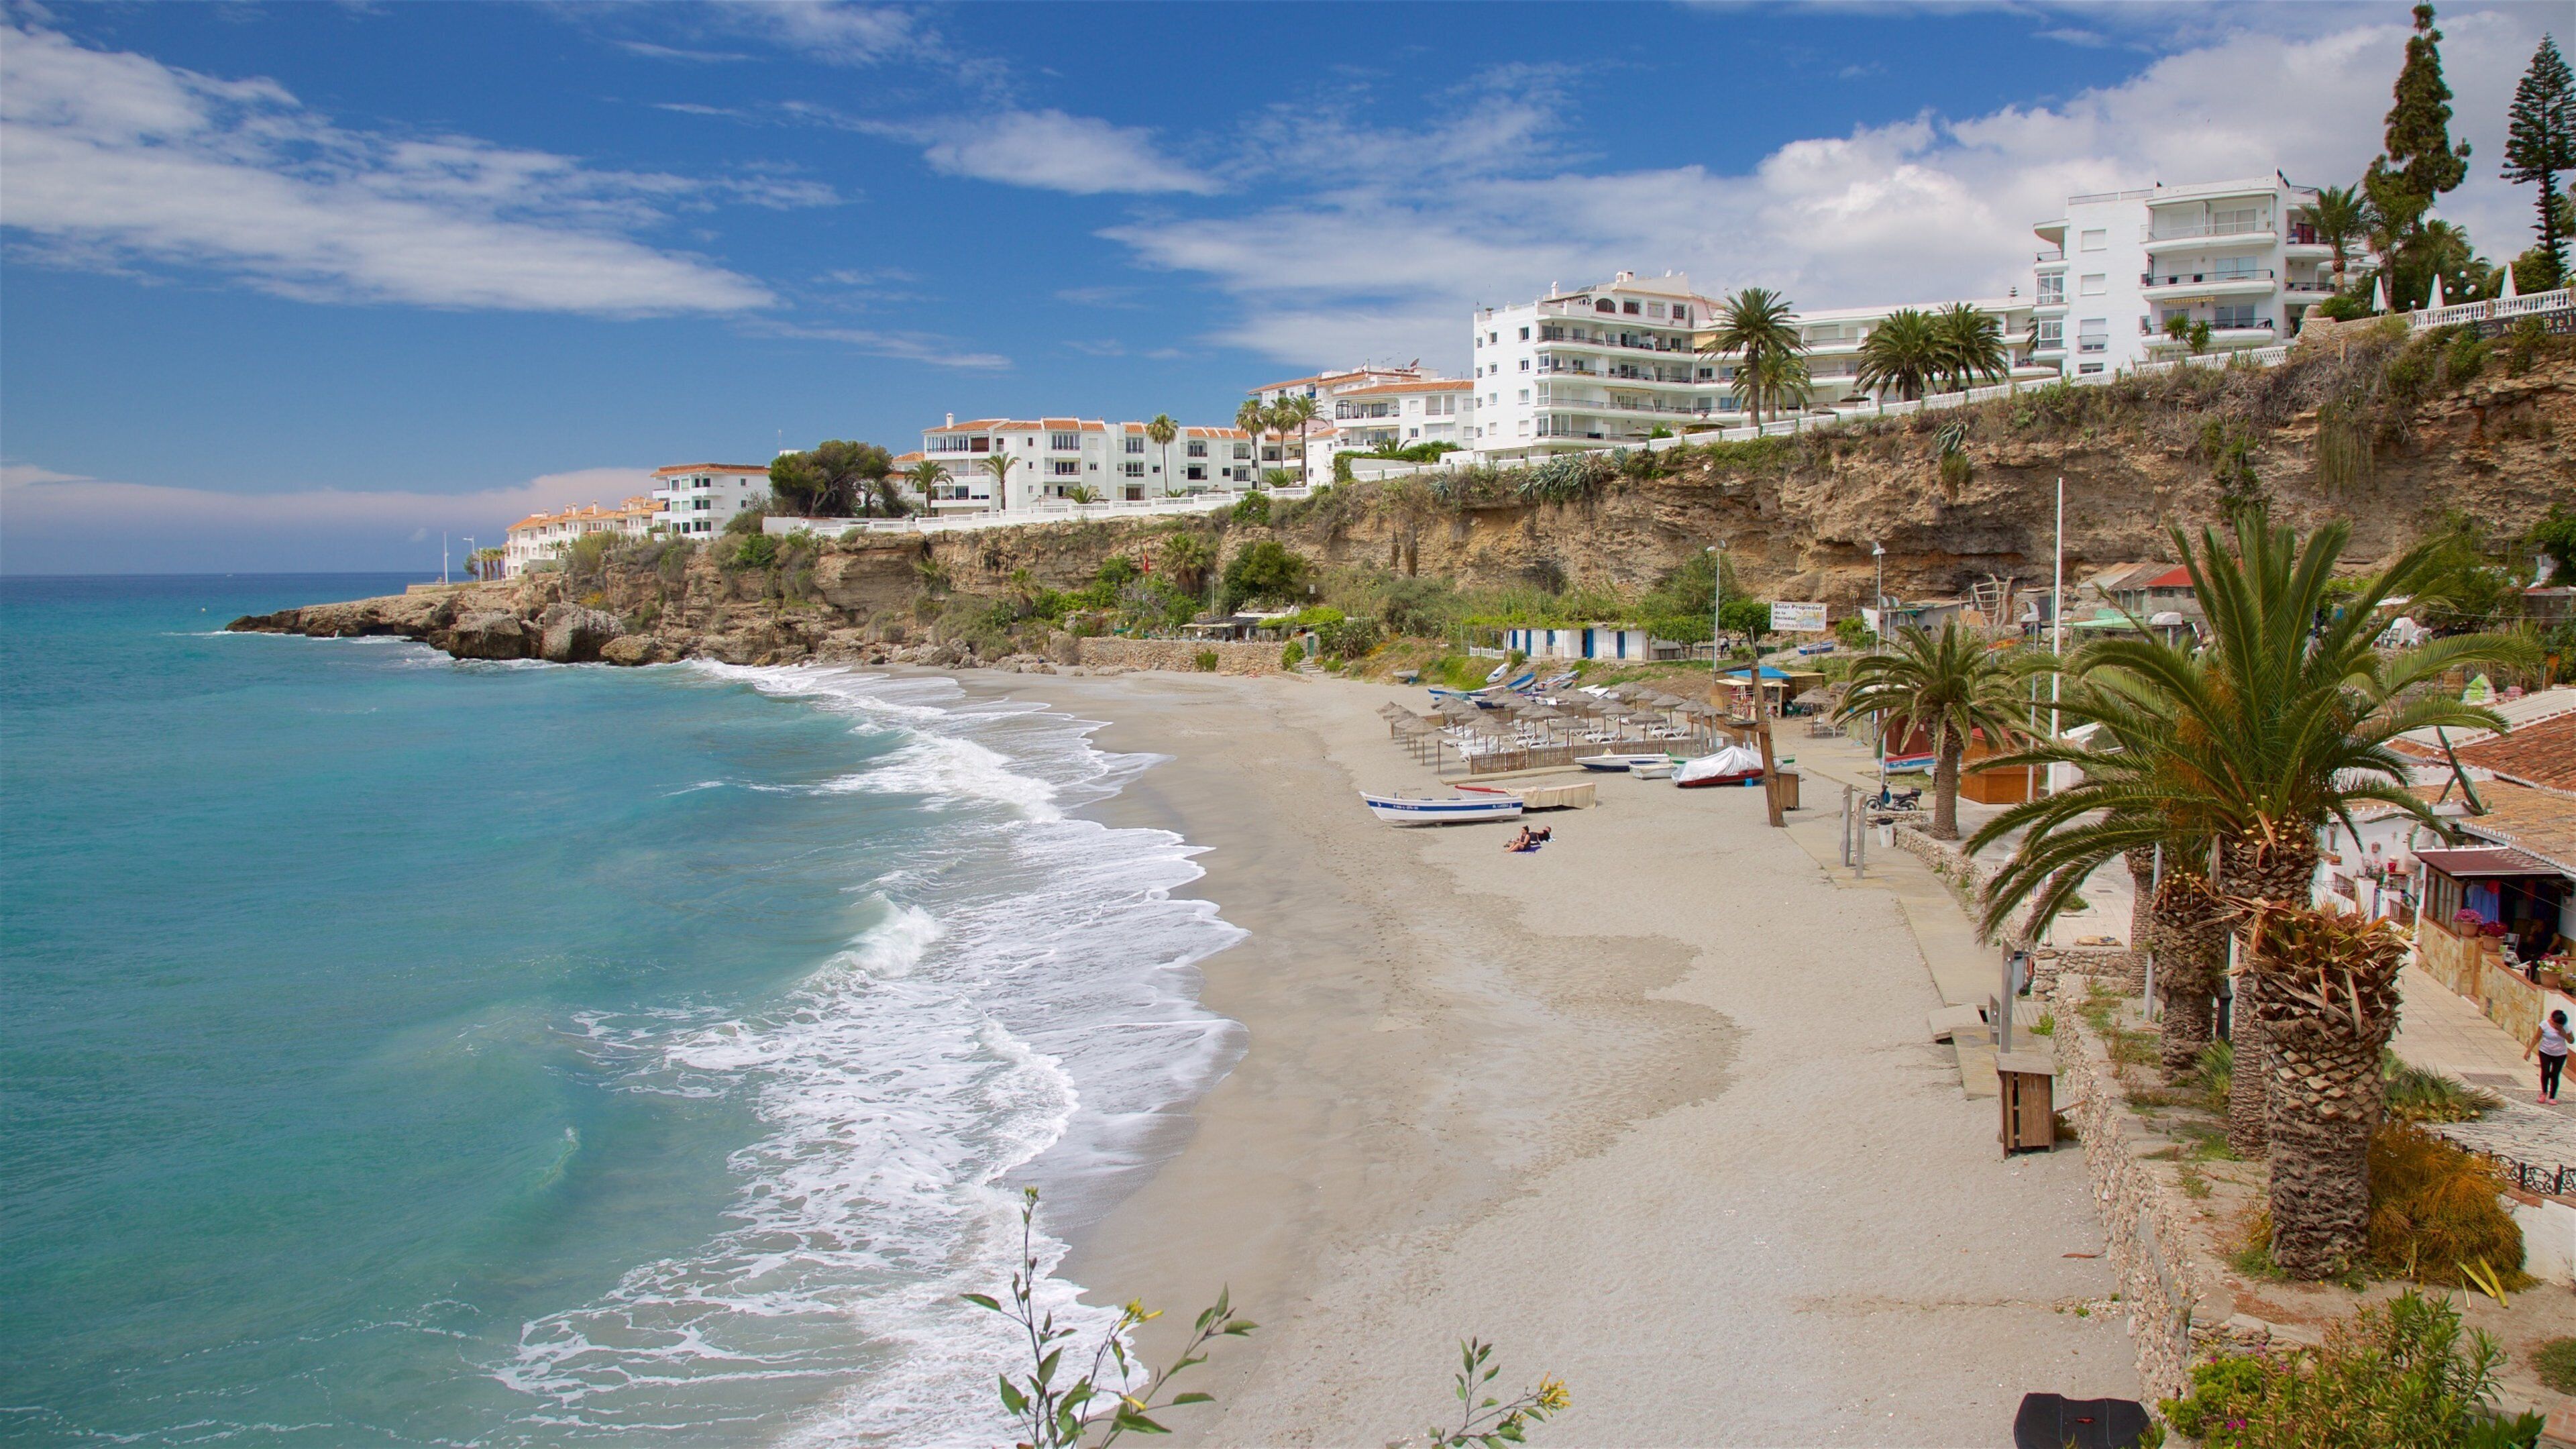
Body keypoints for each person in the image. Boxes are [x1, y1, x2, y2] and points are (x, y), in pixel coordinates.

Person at [2526, 1009, 2569, 1105]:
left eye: (2561, 1025)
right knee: (2545, 1073)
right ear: (2552, 1020)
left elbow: (2572, 1041)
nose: (2559, 1027)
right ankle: (2544, 1092)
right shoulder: (2544, 1024)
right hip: (2545, 1052)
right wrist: (2529, 1051)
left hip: (2560, 1054)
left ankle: (2553, 1097)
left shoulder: (2565, 1027)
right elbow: (2537, 1037)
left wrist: (2564, 1034)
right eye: (2557, 1025)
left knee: (2555, 1075)